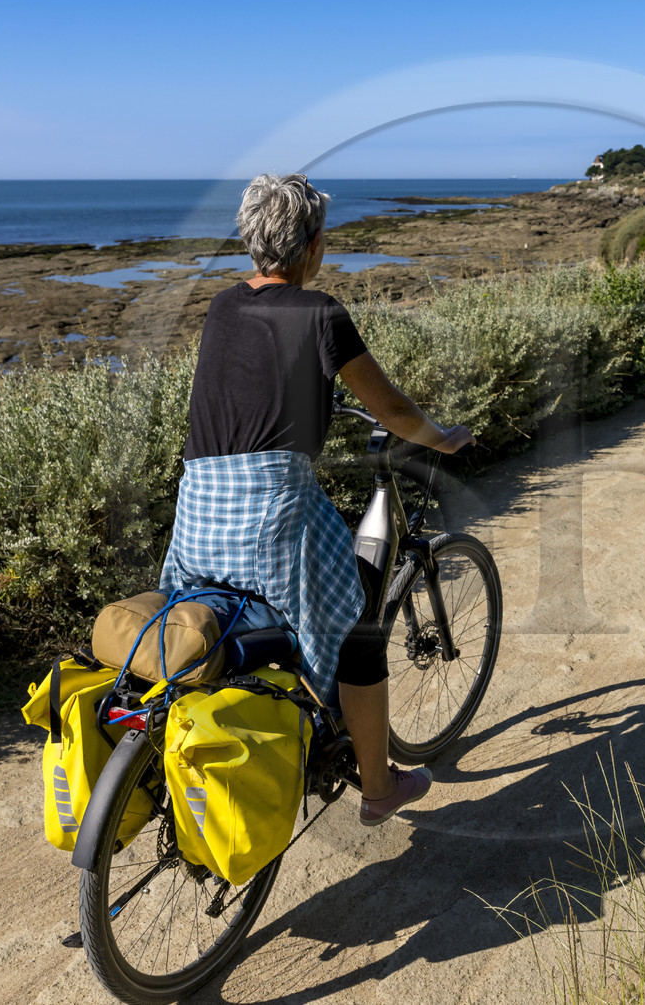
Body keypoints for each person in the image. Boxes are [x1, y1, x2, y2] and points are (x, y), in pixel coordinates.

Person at [159, 173, 474, 827]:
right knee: (359, 621)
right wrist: (439, 438)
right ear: (315, 247)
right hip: (272, 516)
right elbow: (385, 405)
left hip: (197, 517)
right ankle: (378, 785)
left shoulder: (220, 308)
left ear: (250, 241)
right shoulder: (321, 313)